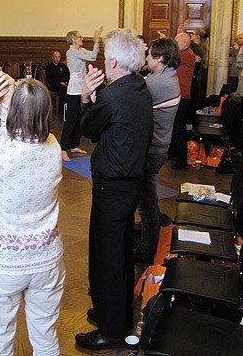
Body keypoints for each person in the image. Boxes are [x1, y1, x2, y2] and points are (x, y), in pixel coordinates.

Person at [74, 29, 153, 351]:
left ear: (115, 62)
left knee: (106, 255)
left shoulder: (113, 95)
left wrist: (85, 97)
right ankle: (115, 312)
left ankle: (111, 331)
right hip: (129, 182)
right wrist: (98, 101)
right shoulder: (139, 87)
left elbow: (88, 130)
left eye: (107, 58)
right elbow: (106, 124)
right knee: (119, 250)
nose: (104, 63)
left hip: (113, 184)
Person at [0, 73, 65, 355]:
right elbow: (20, 128)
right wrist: (13, 97)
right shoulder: (53, 148)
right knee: (46, 340)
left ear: (14, 112)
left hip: (0, 265)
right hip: (46, 261)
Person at [134, 38, 181, 264]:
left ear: (160, 58)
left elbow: (131, 93)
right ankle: (147, 232)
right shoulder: (168, 76)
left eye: (149, 54)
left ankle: (147, 248)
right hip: (160, 145)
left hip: (153, 148)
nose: (146, 58)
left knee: (146, 202)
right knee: (147, 197)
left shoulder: (157, 83)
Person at [60, 26, 104, 161]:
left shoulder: (81, 50)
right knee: (71, 119)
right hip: (73, 90)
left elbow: (93, 55)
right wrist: (96, 41)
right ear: (73, 39)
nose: (82, 38)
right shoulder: (71, 51)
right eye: (79, 36)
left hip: (82, 88)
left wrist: (96, 42)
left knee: (80, 118)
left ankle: (74, 145)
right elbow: (92, 56)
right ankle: (63, 148)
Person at [168, 32, 196, 169]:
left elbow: (170, 60)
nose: (174, 45)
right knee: (175, 126)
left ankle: (181, 158)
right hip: (178, 94)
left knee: (179, 127)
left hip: (182, 95)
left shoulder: (187, 55)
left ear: (184, 44)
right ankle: (174, 153)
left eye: (176, 42)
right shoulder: (185, 53)